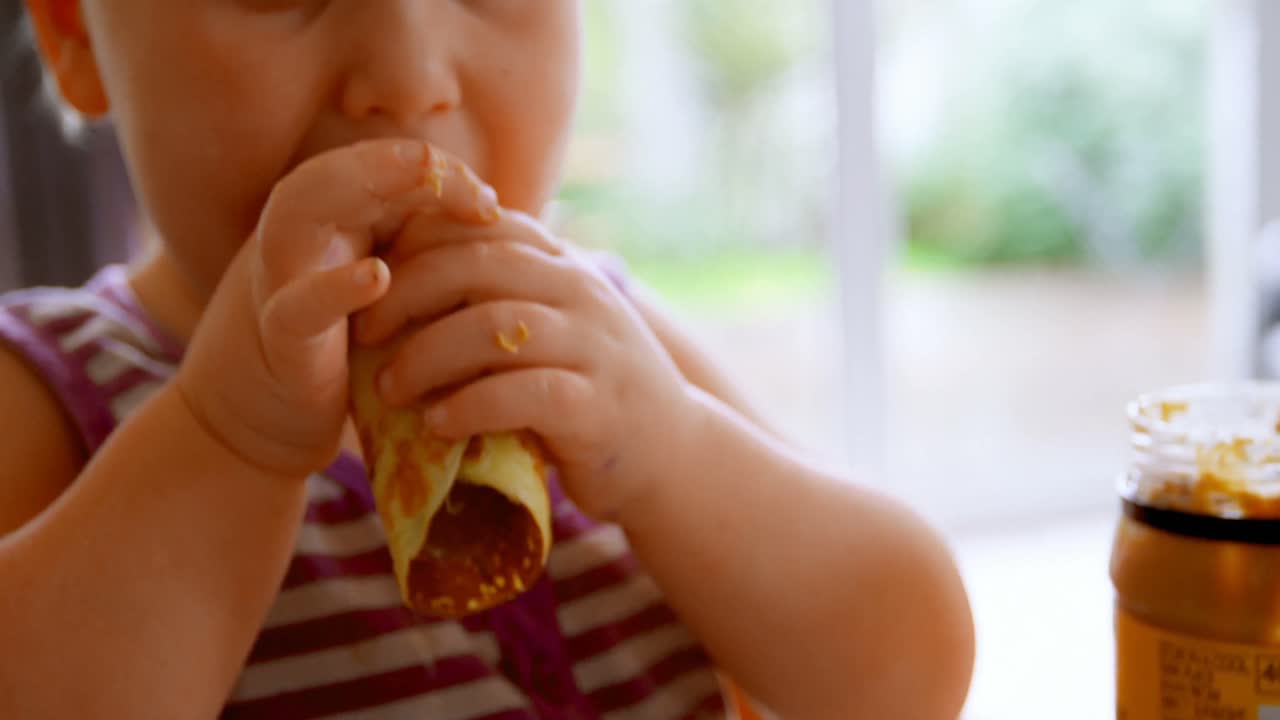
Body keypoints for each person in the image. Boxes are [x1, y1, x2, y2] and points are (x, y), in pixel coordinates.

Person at [0, 2, 974, 718]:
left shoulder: (602, 343)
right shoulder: (50, 388)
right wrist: (229, 438)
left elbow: (905, 677)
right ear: (76, 30)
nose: (406, 74)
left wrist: (670, 451)